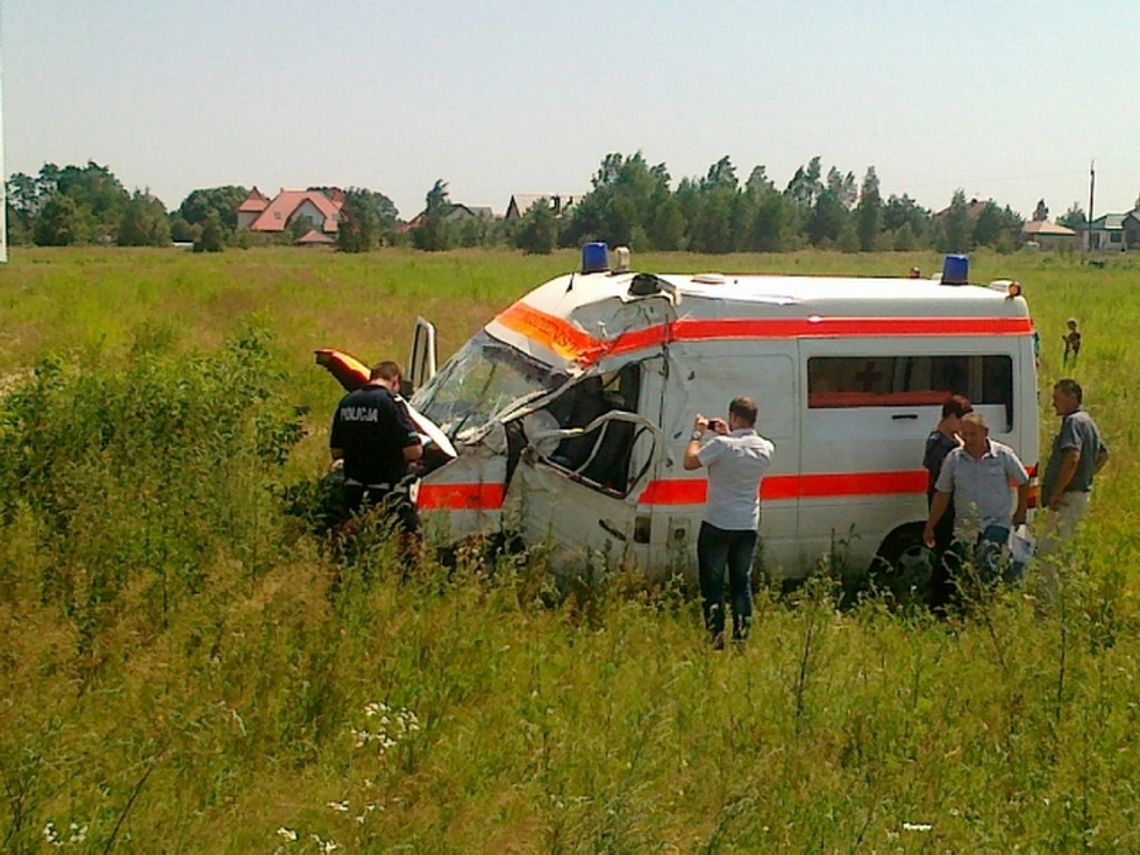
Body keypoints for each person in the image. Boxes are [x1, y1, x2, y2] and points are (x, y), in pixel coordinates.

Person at [683, 397, 774, 647]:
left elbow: (690, 462)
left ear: (733, 416)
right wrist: (729, 434)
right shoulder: (766, 448)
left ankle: (716, 639)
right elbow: (743, 447)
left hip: (718, 523)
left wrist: (697, 434)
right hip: (747, 526)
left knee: (712, 584)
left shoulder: (721, 445)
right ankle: (741, 638)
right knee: (740, 584)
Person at [923, 412, 1030, 586]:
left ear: (985, 432)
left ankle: (988, 601)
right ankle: (974, 605)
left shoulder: (1003, 455)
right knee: (963, 571)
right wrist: (930, 525)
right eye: (964, 434)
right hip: (967, 527)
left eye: (973, 434)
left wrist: (1021, 511)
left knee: (986, 560)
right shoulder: (954, 459)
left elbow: (1024, 481)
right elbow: (942, 494)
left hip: (996, 522)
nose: (969, 439)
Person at [329, 360, 423, 541]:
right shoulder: (391, 403)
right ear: (395, 381)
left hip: (353, 487)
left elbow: (337, 452)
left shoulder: (347, 402)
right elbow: (414, 451)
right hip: (386, 489)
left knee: (349, 539)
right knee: (406, 539)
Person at [1036, 379, 1109, 596]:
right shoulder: (1088, 421)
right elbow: (1103, 455)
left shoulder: (1073, 422)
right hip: (1079, 495)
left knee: (1049, 552)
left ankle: (1051, 603)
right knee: (1065, 551)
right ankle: (1067, 597)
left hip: (1067, 498)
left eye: (1057, 398)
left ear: (1072, 397)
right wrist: (1086, 476)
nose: (1053, 404)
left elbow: (1072, 457)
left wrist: (1058, 491)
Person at [921, 395, 972, 605]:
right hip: (943, 506)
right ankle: (939, 601)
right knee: (946, 555)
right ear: (951, 417)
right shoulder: (938, 443)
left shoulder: (950, 441)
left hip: (955, 505)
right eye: (961, 421)